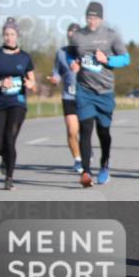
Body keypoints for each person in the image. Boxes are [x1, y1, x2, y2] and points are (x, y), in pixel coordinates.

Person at [70, 1, 130, 187]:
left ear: (101, 18)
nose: (92, 21)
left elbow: (126, 59)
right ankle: (86, 173)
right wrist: (74, 63)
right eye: (89, 17)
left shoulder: (111, 36)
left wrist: (108, 59)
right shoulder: (78, 36)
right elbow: (72, 54)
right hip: (84, 90)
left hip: (105, 91)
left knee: (103, 132)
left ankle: (104, 165)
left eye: (95, 17)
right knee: (86, 129)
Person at [0, 17, 37, 190]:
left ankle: (9, 178)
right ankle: (4, 157)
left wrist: (30, 84)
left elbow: (33, 82)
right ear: (3, 35)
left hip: (17, 102)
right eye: (6, 34)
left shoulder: (25, 57)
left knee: (10, 139)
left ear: (17, 35)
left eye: (12, 34)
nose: (9, 37)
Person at [47, 22, 82, 172]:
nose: (72, 37)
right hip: (69, 95)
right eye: (70, 34)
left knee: (84, 131)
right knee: (71, 130)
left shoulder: (86, 52)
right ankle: (78, 159)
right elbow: (57, 71)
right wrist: (55, 79)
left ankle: (85, 149)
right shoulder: (61, 53)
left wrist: (80, 69)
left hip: (85, 96)